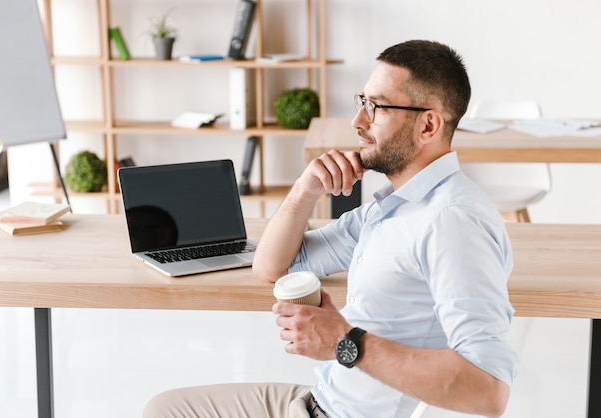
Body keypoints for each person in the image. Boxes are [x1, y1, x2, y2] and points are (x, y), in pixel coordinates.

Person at [143, 39, 518, 418]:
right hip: (322, 398)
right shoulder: (393, 207)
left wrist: (343, 341)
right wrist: (303, 190)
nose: (358, 121)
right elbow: (272, 267)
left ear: (428, 125)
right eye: (362, 102)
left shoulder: (452, 221)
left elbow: (487, 391)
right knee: (163, 408)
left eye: (377, 107)